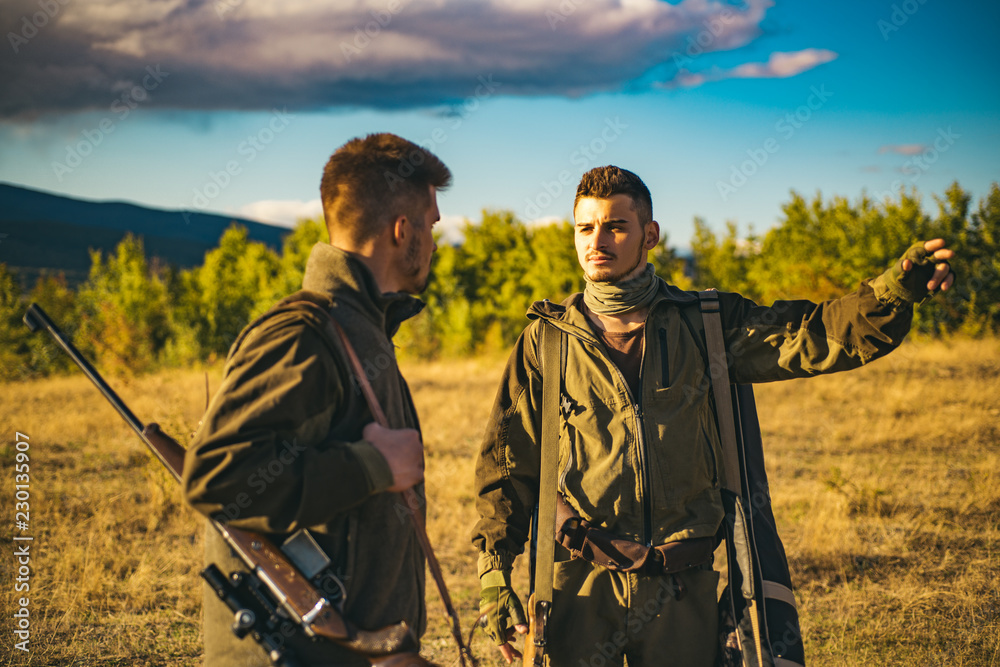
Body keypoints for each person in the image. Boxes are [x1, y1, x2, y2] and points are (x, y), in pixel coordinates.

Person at [471, 165, 955, 667]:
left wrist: (892, 293)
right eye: (585, 227)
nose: (598, 241)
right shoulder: (547, 341)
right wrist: (493, 574)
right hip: (579, 586)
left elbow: (813, 335)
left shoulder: (706, 324)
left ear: (650, 235)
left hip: (683, 587)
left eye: (616, 226)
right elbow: (506, 464)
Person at [183, 133, 451, 666]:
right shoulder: (305, 335)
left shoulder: (360, 328)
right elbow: (217, 475)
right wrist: (372, 466)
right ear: (402, 230)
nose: (435, 241)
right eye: (431, 224)